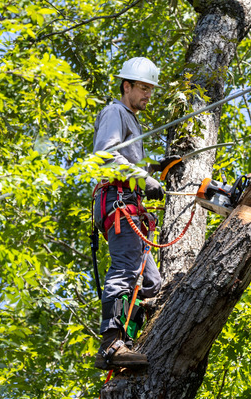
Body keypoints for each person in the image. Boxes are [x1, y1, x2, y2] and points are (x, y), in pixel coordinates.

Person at [91, 57, 180, 370]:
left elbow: (124, 158)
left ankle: (130, 340)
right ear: (126, 85)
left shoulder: (130, 119)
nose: (148, 94)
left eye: (150, 89)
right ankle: (112, 343)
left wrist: (153, 167)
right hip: (118, 204)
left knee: (152, 285)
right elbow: (104, 157)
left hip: (129, 206)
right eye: (142, 87)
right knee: (127, 268)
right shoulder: (116, 111)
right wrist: (146, 178)